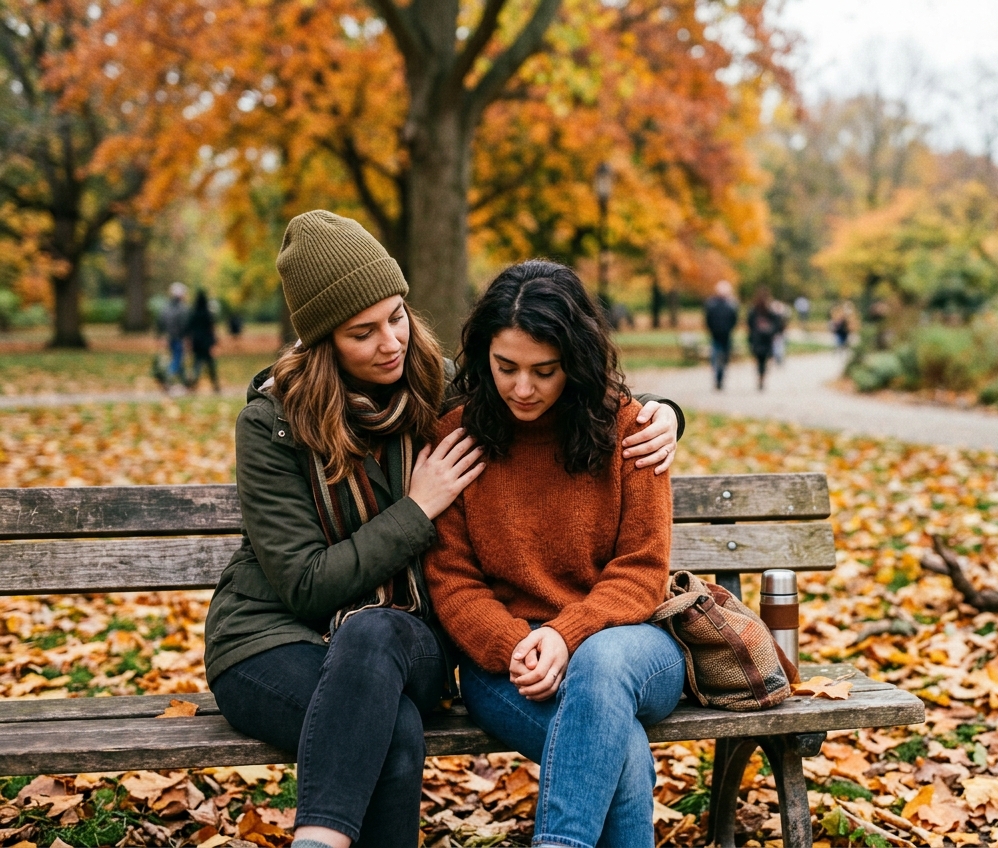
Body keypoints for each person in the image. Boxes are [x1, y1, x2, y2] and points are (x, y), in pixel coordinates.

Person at [202, 211, 683, 848]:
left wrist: (668, 415)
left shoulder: (436, 383)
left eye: (397, 316)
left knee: (383, 648)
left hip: (402, 638)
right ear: (322, 343)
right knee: (396, 727)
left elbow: (561, 376)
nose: (391, 343)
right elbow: (308, 583)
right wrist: (416, 508)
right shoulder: (276, 425)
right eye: (362, 332)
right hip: (282, 635)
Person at [425, 260, 685, 848]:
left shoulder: (630, 431)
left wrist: (568, 635)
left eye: (545, 371)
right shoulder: (457, 439)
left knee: (599, 667)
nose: (522, 388)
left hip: (632, 647)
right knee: (622, 747)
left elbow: (642, 570)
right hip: (509, 665)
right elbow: (453, 580)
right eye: (505, 367)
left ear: (577, 360)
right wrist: (519, 645)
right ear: (482, 356)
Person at [704, 280, 738, 390]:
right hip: (715, 335)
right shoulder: (712, 303)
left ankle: (721, 377)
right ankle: (717, 377)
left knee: (724, 358)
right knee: (716, 357)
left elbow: (734, 319)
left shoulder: (731, 304)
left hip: (726, 335)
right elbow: (708, 319)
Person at [184, 289, 221, 393]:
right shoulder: (208, 314)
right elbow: (211, 328)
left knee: (197, 365)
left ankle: (193, 384)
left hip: (197, 342)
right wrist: (214, 342)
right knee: (210, 365)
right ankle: (215, 385)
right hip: (207, 343)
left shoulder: (193, 314)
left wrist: (189, 342)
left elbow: (188, 329)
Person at [747, 287, 783, 390]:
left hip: (760, 340)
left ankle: (760, 376)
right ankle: (761, 377)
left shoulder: (758, 310)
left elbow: (750, 324)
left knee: (760, 361)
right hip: (763, 340)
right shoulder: (758, 310)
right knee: (763, 361)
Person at [156, 282, 189, 387]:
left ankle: (185, 382)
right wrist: (186, 337)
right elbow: (184, 325)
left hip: (170, 337)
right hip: (178, 337)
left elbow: (161, 322)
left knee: (178, 358)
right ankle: (168, 376)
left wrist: (160, 336)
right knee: (177, 359)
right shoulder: (182, 308)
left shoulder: (166, 308)